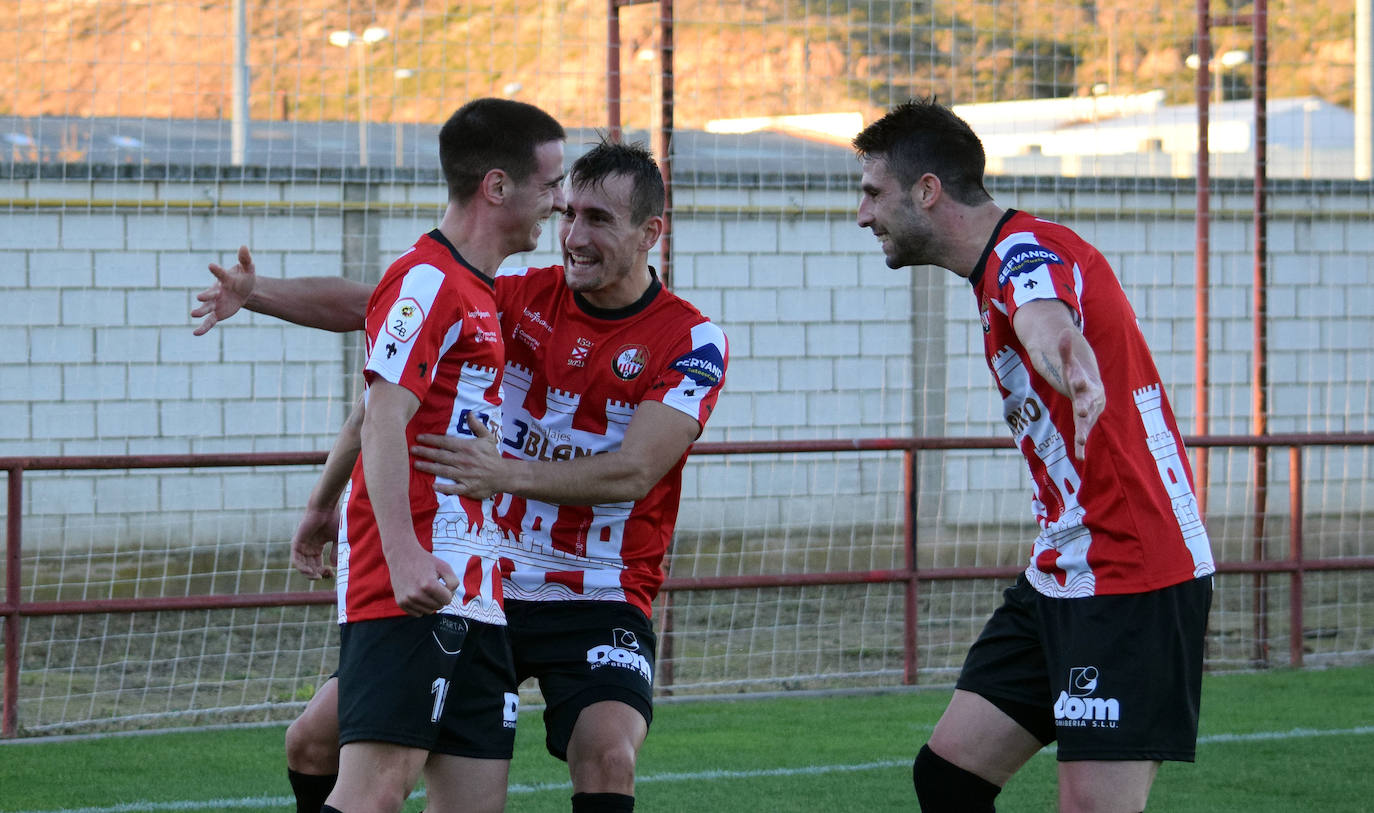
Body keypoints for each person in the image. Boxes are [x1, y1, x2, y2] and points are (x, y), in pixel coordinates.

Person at [192, 139, 729, 813]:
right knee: (310, 742)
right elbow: (383, 311)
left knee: (607, 752)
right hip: (484, 577)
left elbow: (636, 469)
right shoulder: (513, 296)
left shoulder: (692, 339)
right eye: (569, 214)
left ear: (652, 232)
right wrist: (259, 292)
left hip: (597, 592)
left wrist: (500, 471)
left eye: (598, 220)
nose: (573, 236)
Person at [852, 97, 1215, 813]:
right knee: (949, 775)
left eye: (872, 193)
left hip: (1131, 573)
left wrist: (1067, 360)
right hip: (1062, 569)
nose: (862, 215)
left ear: (927, 190)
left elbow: (1043, 312)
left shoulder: (1024, 253)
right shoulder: (1003, 261)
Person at [302, 96, 567, 813]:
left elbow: (368, 412)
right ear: (497, 187)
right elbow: (385, 414)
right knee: (377, 788)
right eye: (551, 184)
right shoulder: (429, 279)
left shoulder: (476, 289)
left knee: (475, 798)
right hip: (417, 578)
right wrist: (403, 555)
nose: (560, 202)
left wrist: (320, 502)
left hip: (476, 583)